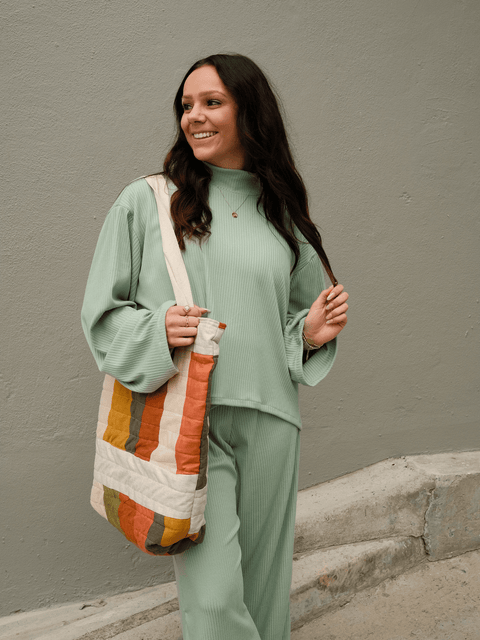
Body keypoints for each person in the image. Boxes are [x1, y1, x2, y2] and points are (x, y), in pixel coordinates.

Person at [81, 53, 348, 640]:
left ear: (249, 112)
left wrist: (308, 333)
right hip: (188, 423)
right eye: (186, 105)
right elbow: (102, 316)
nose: (193, 116)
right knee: (214, 603)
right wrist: (158, 329)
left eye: (211, 102)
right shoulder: (147, 202)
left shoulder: (281, 213)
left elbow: (299, 315)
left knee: (263, 592)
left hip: (272, 419)